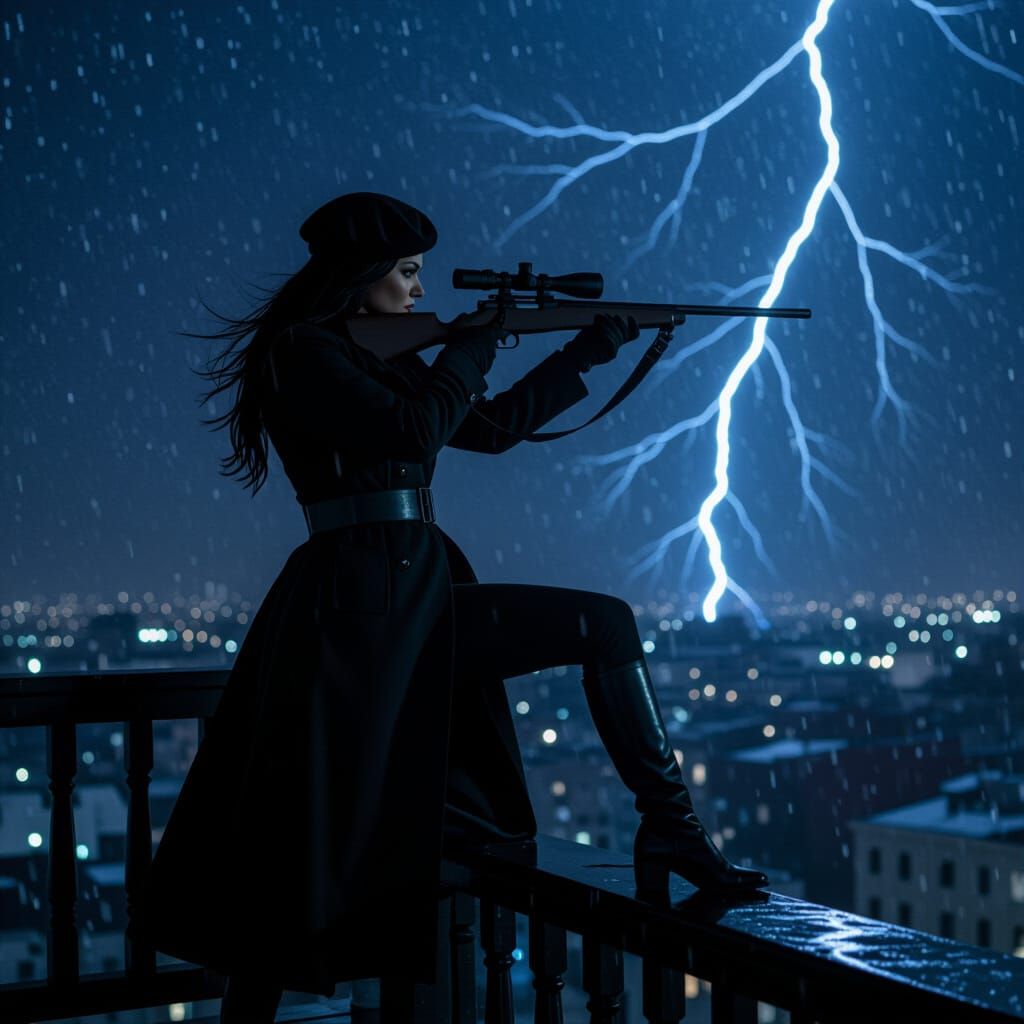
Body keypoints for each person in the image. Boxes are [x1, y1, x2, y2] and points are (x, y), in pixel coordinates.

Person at [131, 191, 768, 1021]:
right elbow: (411, 433)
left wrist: (586, 351)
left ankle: (672, 829)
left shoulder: (375, 354)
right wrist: (469, 346)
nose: (418, 291)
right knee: (300, 845)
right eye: (405, 273)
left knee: (602, 625)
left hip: (413, 585)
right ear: (360, 279)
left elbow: (493, 428)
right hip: (357, 601)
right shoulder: (303, 354)